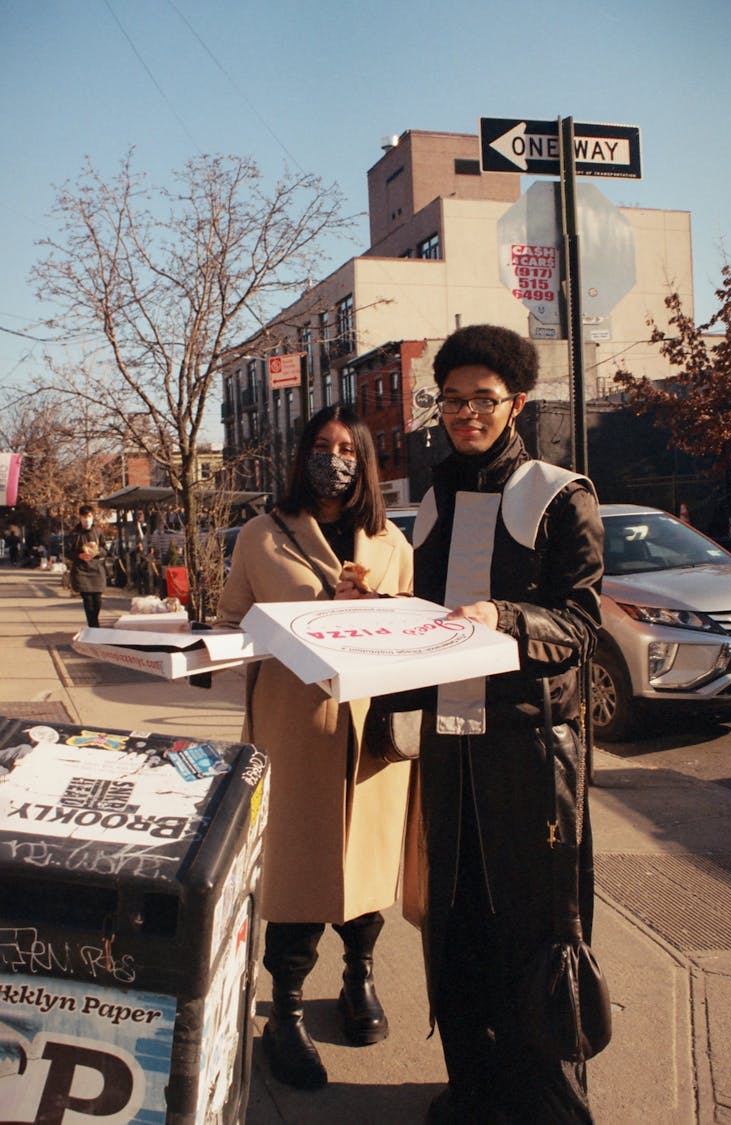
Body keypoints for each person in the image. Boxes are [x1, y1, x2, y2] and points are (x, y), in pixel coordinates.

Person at [404, 325, 605, 1124]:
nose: (465, 413)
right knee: (458, 925)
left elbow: (581, 627)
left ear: (514, 401)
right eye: (451, 399)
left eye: (481, 399)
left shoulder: (558, 493)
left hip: (532, 751)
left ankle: (549, 1104)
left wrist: (504, 619)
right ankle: (475, 1086)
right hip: (452, 747)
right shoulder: (434, 497)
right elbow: (426, 618)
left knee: (539, 926)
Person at [216, 403, 413, 1091]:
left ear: (366, 460)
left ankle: (359, 975)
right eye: (322, 446)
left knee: (363, 878)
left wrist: (374, 612)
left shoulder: (390, 542)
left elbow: (414, 633)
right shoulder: (261, 536)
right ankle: (287, 1012)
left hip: (370, 742)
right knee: (297, 883)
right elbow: (230, 625)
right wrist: (302, 623)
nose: (334, 458)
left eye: (348, 448)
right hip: (295, 733)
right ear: (302, 456)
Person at [66, 504, 107, 627]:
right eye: (84, 516)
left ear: (93, 516)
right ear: (80, 517)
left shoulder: (98, 532)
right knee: (88, 601)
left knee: (97, 601)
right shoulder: (74, 534)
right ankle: (94, 626)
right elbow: (67, 552)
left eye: (89, 516)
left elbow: (105, 549)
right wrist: (79, 555)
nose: (86, 519)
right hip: (81, 571)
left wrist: (97, 552)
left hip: (96, 571)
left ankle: (94, 623)